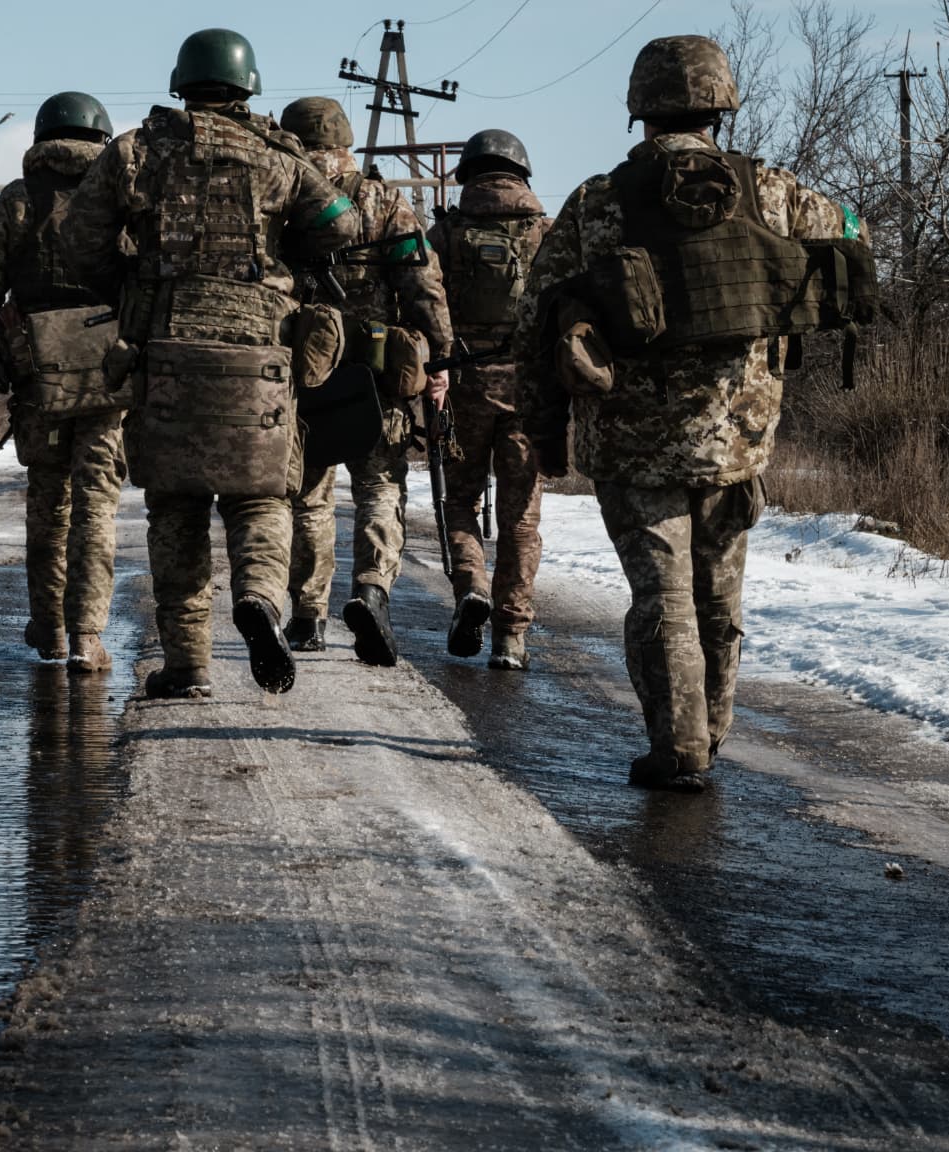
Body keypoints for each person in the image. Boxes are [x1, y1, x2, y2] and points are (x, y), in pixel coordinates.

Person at [513, 35, 870, 791]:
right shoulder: (771, 191)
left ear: (642, 109)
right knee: (719, 592)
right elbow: (851, 237)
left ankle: (679, 747)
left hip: (633, 442)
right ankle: (712, 732)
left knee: (662, 596)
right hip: (738, 440)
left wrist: (545, 433)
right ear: (719, 103)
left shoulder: (597, 203)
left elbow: (537, 321)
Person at [61, 28, 360, 698]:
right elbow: (342, 221)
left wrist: (131, 291)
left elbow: (78, 237)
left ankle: (189, 665)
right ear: (247, 85)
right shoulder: (277, 155)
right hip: (258, 355)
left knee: (176, 507)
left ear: (182, 83)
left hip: (165, 349)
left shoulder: (135, 151)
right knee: (261, 497)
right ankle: (258, 597)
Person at [275, 96, 453, 666]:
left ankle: (308, 616)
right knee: (379, 485)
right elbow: (424, 286)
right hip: (379, 372)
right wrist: (441, 358)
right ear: (347, 143)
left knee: (309, 494)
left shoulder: (285, 199)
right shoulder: (386, 203)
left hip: (307, 372)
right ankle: (372, 591)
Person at [0, 92, 124, 675]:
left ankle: (49, 628)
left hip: (37, 377)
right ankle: (87, 636)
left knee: (49, 503)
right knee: (97, 505)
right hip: (110, 376)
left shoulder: (19, 201)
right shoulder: (121, 198)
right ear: (101, 139)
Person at [427, 129, 551, 670]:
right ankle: (511, 637)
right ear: (521, 174)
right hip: (529, 389)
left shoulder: (447, 234)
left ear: (468, 175)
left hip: (463, 386)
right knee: (521, 517)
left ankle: (472, 587)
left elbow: (423, 304)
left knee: (460, 502)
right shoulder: (544, 234)